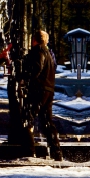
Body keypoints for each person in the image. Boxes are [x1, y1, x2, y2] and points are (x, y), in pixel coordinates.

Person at [22, 30, 62, 161]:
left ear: (35, 40)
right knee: (47, 121)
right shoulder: (49, 53)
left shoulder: (38, 51)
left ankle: (29, 151)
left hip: (39, 89)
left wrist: (26, 78)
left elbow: (36, 68)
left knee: (28, 117)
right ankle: (56, 151)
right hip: (49, 89)